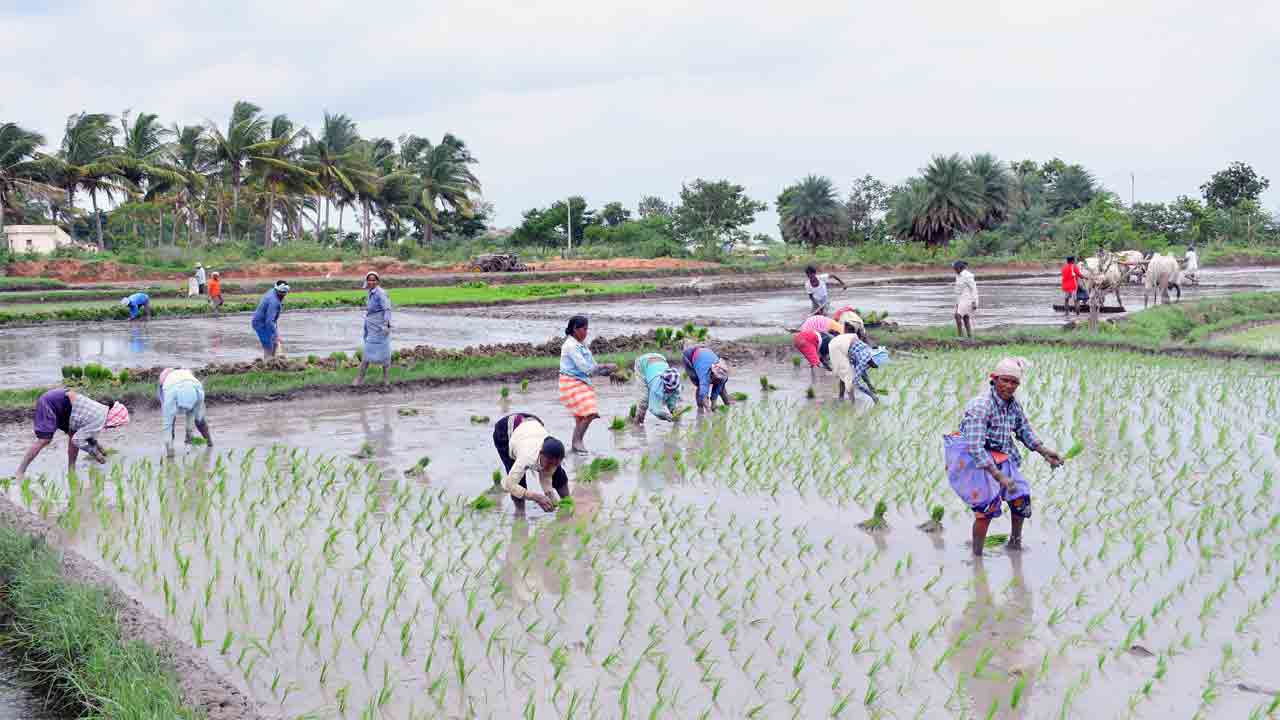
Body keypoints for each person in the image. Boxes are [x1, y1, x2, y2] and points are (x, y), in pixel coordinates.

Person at [944, 357, 1063, 556]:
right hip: (977, 461)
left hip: (1001, 456)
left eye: (1014, 382)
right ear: (994, 379)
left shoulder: (1012, 405)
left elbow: (1023, 429)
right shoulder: (980, 406)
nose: (1009, 386)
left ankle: (1015, 544)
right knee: (986, 510)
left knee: (1020, 498)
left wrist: (1045, 452)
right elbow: (975, 447)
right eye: (1004, 380)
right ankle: (977, 556)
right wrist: (998, 476)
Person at [14, 390, 129, 480]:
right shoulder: (99, 418)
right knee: (45, 439)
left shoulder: (100, 413)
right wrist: (95, 454)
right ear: (114, 417)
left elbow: (88, 436)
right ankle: (20, 472)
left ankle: (71, 471)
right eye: (116, 425)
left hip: (66, 407)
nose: (114, 427)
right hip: (51, 402)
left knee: (73, 433)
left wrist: (102, 451)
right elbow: (78, 440)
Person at [559, 315, 614, 453]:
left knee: (582, 416)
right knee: (590, 412)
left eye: (587, 329)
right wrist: (606, 365)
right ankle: (577, 442)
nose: (586, 332)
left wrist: (605, 371)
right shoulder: (570, 345)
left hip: (581, 381)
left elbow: (592, 365)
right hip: (570, 382)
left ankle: (576, 444)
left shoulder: (581, 344)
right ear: (575, 329)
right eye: (584, 329)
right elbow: (585, 368)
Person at [492, 413, 567, 513]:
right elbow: (509, 484)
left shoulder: (552, 455)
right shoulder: (527, 456)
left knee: (558, 474)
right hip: (505, 430)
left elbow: (546, 475)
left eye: (556, 463)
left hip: (530, 422)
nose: (551, 466)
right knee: (518, 481)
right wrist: (537, 497)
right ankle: (520, 513)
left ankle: (568, 503)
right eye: (549, 463)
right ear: (540, 454)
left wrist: (550, 495)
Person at [158, 368, 212, 457]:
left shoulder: (168, 387)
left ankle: (170, 451)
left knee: (169, 423)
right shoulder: (189, 378)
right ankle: (209, 443)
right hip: (194, 390)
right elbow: (196, 415)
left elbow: (167, 423)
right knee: (197, 419)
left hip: (185, 389)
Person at [354, 271, 393, 386]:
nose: (371, 282)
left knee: (384, 353)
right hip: (371, 325)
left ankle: (385, 379)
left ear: (378, 281)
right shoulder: (370, 292)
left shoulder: (381, 293)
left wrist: (386, 324)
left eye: (374, 280)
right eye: (369, 280)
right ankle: (359, 379)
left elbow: (387, 309)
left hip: (380, 326)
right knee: (368, 350)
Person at [829, 333, 889, 404]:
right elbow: (855, 382)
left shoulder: (868, 352)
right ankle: (852, 404)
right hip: (837, 347)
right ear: (874, 361)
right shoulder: (863, 360)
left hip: (845, 339)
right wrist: (872, 395)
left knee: (845, 374)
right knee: (848, 378)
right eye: (876, 365)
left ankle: (841, 397)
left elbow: (863, 373)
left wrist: (870, 385)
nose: (876, 367)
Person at [633, 352, 681, 423]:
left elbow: (673, 399)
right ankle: (638, 422)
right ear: (664, 384)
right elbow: (653, 408)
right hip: (643, 363)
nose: (670, 391)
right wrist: (665, 415)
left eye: (672, 390)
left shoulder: (675, 382)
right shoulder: (657, 387)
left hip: (660, 358)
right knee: (644, 400)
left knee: (673, 406)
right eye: (668, 389)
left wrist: (674, 410)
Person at [682, 345, 731, 413]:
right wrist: (709, 411)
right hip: (691, 356)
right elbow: (703, 394)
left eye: (719, 378)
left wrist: (713, 405)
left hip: (706, 353)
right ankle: (700, 409)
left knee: (721, 387)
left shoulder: (723, 377)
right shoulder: (705, 374)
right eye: (716, 378)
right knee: (700, 386)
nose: (718, 380)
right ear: (712, 374)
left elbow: (717, 389)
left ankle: (728, 405)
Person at [251, 281, 289, 359]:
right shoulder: (273, 302)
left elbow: (272, 320)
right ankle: (268, 362)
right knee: (268, 345)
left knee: (274, 342)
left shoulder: (272, 291)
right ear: (279, 292)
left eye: (285, 292)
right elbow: (269, 321)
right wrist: (276, 335)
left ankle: (273, 359)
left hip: (266, 321)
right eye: (283, 292)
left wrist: (275, 334)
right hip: (260, 323)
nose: (284, 294)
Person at [953, 260, 978, 338]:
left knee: (957, 316)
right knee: (965, 318)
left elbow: (974, 289)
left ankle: (960, 336)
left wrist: (974, 302)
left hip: (968, 299)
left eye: (955, 268)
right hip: (961, 299)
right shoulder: (958, 275)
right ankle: (969, 336)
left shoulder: (968, 276)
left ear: (960, 268)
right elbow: (958, 291)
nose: (954, 270)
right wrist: (957, 303)